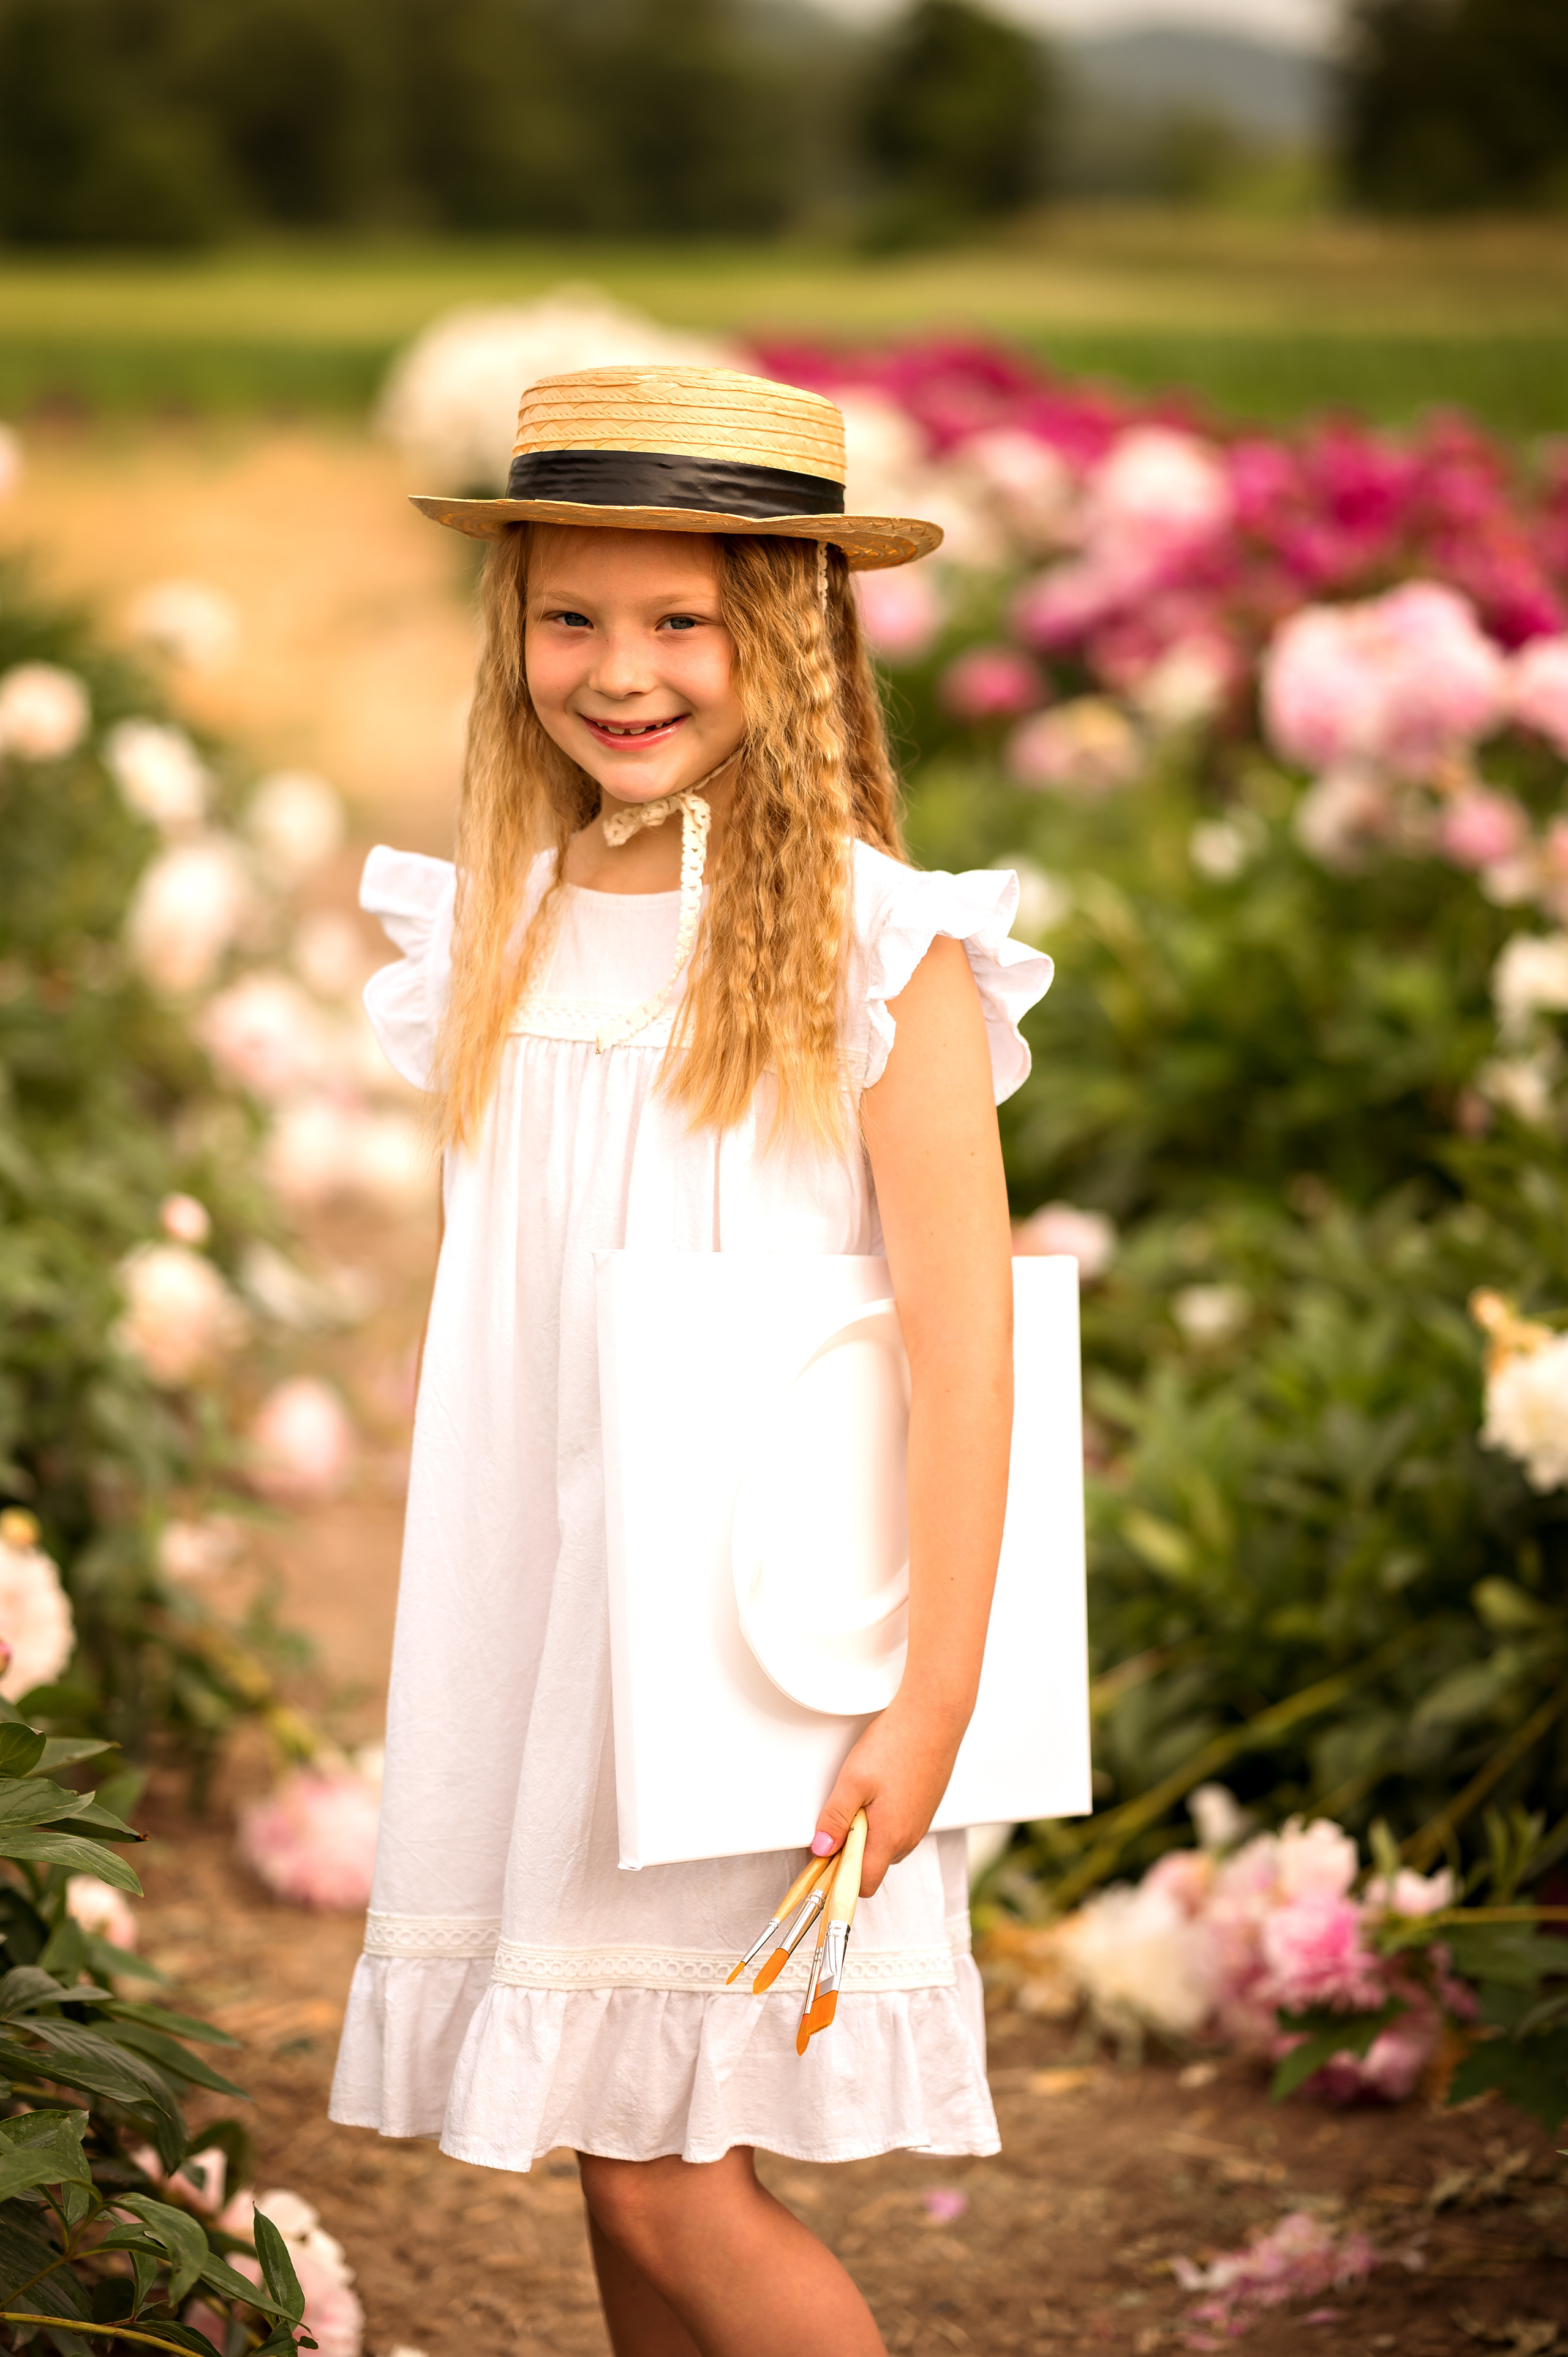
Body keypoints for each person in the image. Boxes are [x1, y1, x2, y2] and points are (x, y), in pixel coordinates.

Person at [330, 365, 1054, 2356]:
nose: (618, 669)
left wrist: (938, 1696)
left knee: (666, 2169)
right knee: (613, 2143)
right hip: (545, 1630)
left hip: (750, 1650)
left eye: (680, 619)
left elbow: (960, 1339)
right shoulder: (505, 927)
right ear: (514, 629)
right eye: (571, 614)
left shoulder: (869, 945)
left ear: (792, 636)